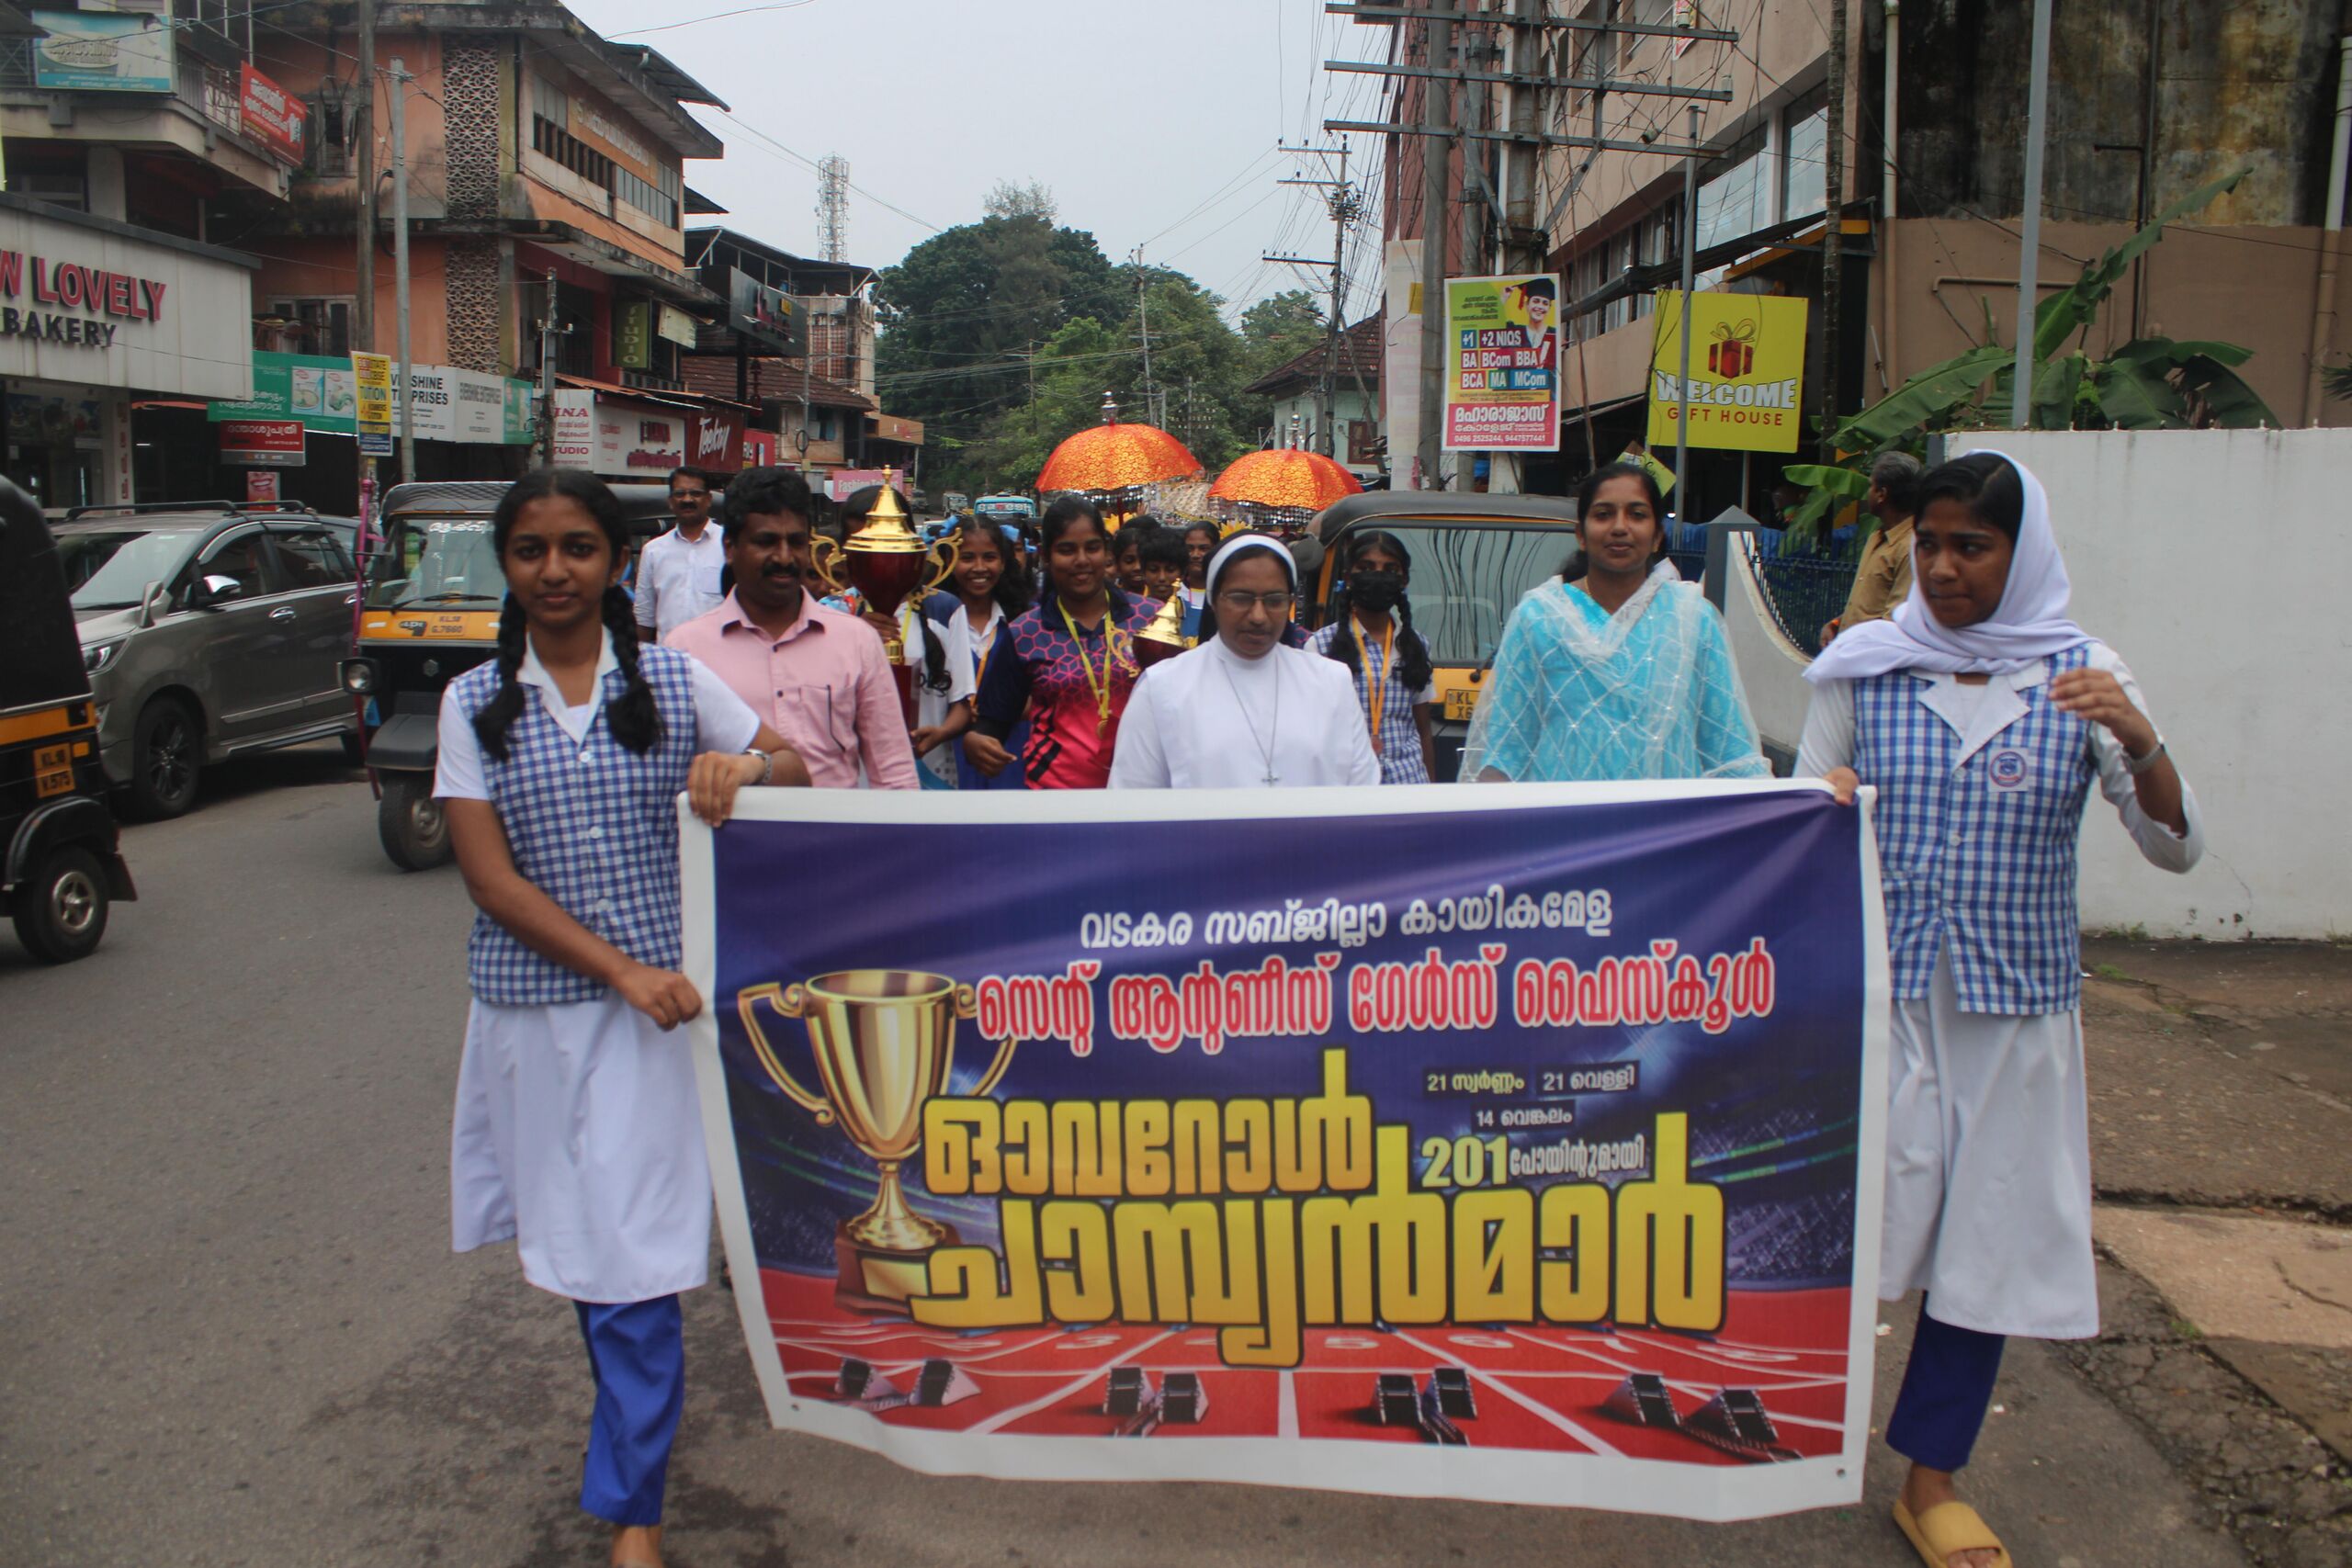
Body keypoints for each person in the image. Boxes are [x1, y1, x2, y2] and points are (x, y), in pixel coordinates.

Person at [1799, 451, 2200, 1568]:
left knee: (1982, 1249)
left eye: (1970, 547)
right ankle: (1781, 1433)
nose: (1942, 568)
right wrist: (1819, 804)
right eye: (1928, 544)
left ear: (2022, 556)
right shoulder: (1863, 666)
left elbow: (2174, 847)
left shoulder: (2084, 676)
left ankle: (1931, 1480)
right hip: (1875, 1007)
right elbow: (1795, 816)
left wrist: (2141, 741)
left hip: (2011, 1016)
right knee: (1830, 1230)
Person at [434, 468, 808, 1568]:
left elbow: (794, 766)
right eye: (531, 551)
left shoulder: (674, 680)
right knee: (590, 1254)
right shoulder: (471, 703)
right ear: (508, 566)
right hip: (538, 1023)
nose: (555, 571)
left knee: (634, 1263)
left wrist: (742, 765)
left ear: (614, 563)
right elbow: (490, 880)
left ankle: (632, 1512)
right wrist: (619, 972)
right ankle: (630, 1462)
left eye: (579, 548)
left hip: (655, 1026)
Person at [1463, 462, 1769, 783]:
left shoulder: (1692, 619)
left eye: (1637, 514)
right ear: (1581, 535)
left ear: (1657, 537)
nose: (1620, 527)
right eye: (1603, 514)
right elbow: (1505, 751)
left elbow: (1730, 751)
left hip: (1667, 815)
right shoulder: (1539, 618)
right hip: (1563, 814)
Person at [663, 466, 920, 790]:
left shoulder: (856, 641)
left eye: (796, 542)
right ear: (729, 547)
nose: (784, 558)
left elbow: (894, 772)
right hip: (731, 824)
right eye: (767, 542)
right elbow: (669, 774)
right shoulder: (685, 650)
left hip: (833, 821)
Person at [1112, 534, 1378, 789]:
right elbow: (1133, 801)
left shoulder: (1332, 682)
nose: (1258, 616)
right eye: (1241, 598)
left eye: (1274, 600)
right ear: (1213, 599)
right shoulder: (1162, 688)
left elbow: (1362, 791)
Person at [967, 494, 1157, 789]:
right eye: (1067, 550)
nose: (1081, 560)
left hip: (1142, 794)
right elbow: (993, 723)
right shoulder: (1025, 634)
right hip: (1055, 797)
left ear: (1106, 551)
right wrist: (976, 740)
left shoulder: (1151, 619)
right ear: (1046, 556)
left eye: (1092, 548)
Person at [837, 483, 967, 790]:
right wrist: (854, 635)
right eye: (864, 547)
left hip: (929, 774)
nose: (877, 559)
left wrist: (941, 732)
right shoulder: (832, 612)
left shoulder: (945, 609)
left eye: (887, 546)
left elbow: (962, 702)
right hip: (852, 781)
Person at [1309, 530, 1438, 784]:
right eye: (1366, 568)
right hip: (1348, 788)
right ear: (1348, 577)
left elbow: (1423, 730)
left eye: (1390, 569)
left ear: (1404, 581)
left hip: (1408, 786)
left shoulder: (1417, 646)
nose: (1378, 576)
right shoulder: (1321, 646)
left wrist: (1432, 794)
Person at [937, 516, 1034, 791]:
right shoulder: (936, 622)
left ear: (1003, 562)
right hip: (949, 749)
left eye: (989, 557)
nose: (979, 568)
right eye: (967, 558)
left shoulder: (1023, 624)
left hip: (1009, 749)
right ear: (949, 560)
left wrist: (1007, 708)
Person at [1821, 451, 1925, 645]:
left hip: (1873, 654)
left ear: (1881, 494)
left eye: (1871, 485)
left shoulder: (1910, 547)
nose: (1867, 492)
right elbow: (1869, 606)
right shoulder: (1876, 538)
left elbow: (1896, 623)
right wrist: (1838, 623)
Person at [631, 467, 725, 641]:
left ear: (708, 499)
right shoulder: (653, 551)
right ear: (670, 501)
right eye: (680, 494)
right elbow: (644, 615)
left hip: (717, 654)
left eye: (696, 493)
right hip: (668, 655)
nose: (687, 499)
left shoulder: (729, 545)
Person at [1137, 527, 1188, 604]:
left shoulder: (1195, 612)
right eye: (1153, 570)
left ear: (1182, 574)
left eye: (1170, 570)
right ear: (1143, 572)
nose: (1162, 578)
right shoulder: (1132, 611)